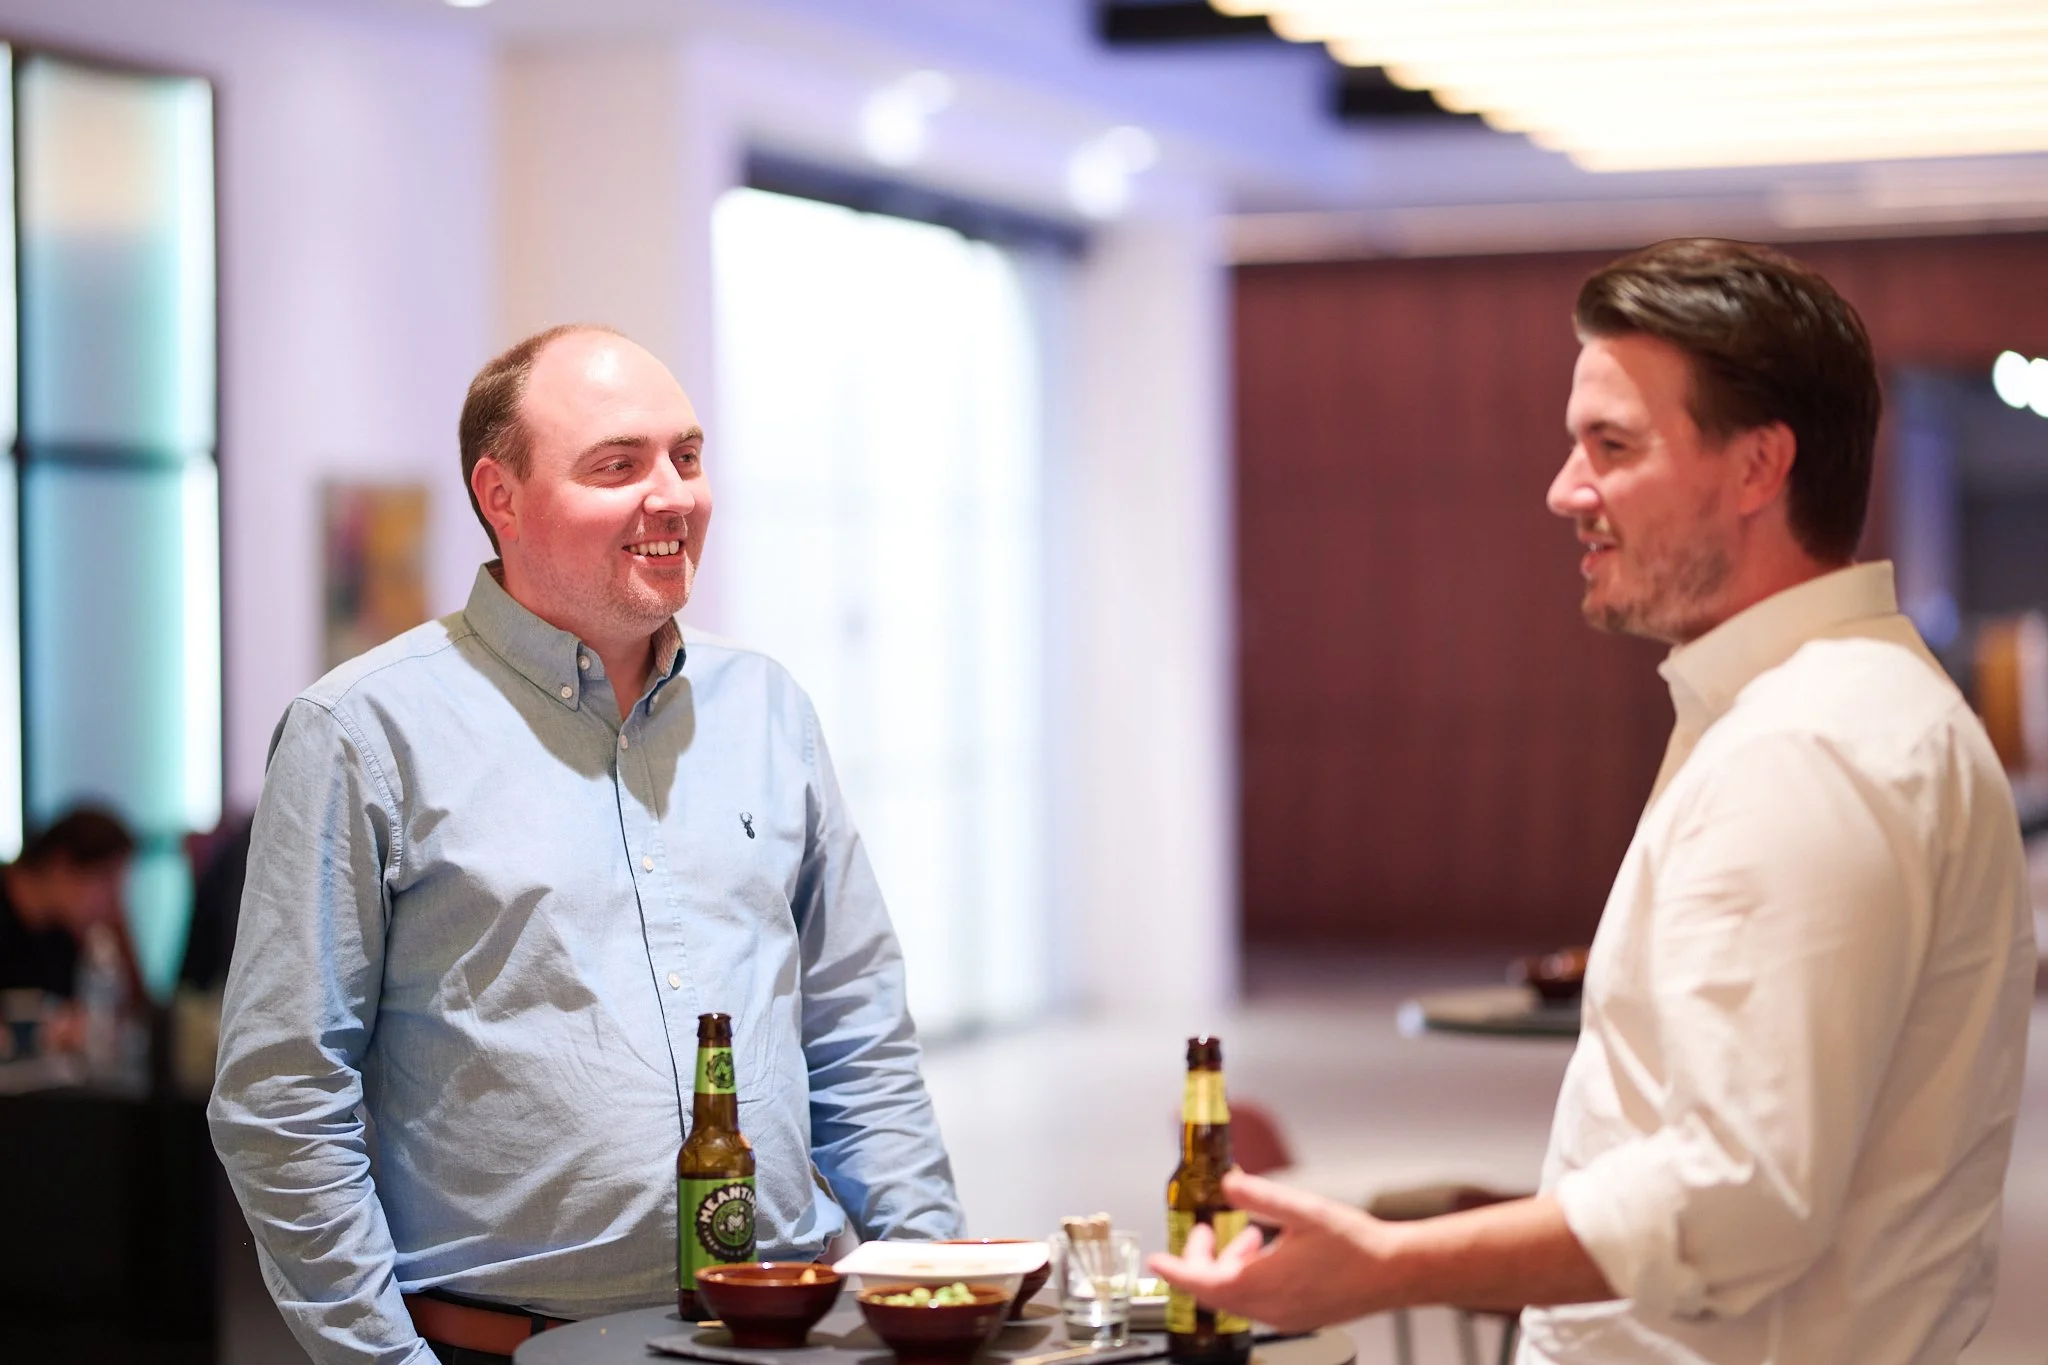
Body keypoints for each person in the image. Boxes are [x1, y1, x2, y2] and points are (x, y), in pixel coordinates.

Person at [1152, 239, 2035, 1364]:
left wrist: (1390, 1266)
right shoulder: (1837, 709)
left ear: (1758, 466)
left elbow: (1737, 1199)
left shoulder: (1804, 750)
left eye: (1609, 447)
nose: (1563, 489)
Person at [210, 324, 966, 1365]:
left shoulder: (766, 710)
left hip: (792, 1332)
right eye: (618, 465)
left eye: (686, 457)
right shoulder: (362, 732)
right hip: (507, 1345)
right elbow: (283, 1096)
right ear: (501, 496)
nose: (672, 496)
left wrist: (933, 1289)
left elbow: (855, 1032)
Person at [0, 806, 142, 1049]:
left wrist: (120, 930)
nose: (111, 902)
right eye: (106, 880)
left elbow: (140, 1012)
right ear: (61, 864)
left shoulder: (61, 936)